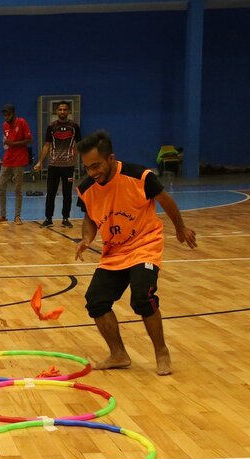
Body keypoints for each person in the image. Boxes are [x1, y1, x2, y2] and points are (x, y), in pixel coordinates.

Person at [74, 131, 196, 376]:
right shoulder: (86, 188)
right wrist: (87, 237)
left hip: (144, 245)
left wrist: (180, 227)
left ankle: (161, 352)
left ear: (111, 158)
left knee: (142, 297)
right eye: (87, 168)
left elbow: (165, 199)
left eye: (96, 165)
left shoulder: (139, 176)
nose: (92, 172)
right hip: (114, 252)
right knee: (96, 301)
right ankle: (118, 354)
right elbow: (89, 216)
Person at [34, 101, 82, 228]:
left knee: (67, 193)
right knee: (51, 192)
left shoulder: (74, 126)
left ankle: (65, 218)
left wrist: (85, 161)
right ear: (56, 111)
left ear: (69, 112)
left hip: (68, 166)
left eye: (65, 109)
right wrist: (39, 162)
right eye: (60, 109)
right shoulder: (51, 126)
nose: (62, 112)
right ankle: (48, 218)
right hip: (54, 165)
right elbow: (47, 145)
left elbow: (80, 144)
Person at [0, 104, 32, 224]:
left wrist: (14, 144)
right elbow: (7, 142)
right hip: (7, 160)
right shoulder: (4, 126)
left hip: (19, 160)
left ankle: (17, 216)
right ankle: (3, 215)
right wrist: (8, 144)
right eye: (4, 115)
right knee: (1, 188)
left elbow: (30, 140)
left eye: (8, 114)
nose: (6, 117)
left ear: (13, 113)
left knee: (18, 189)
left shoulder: (22, 122)